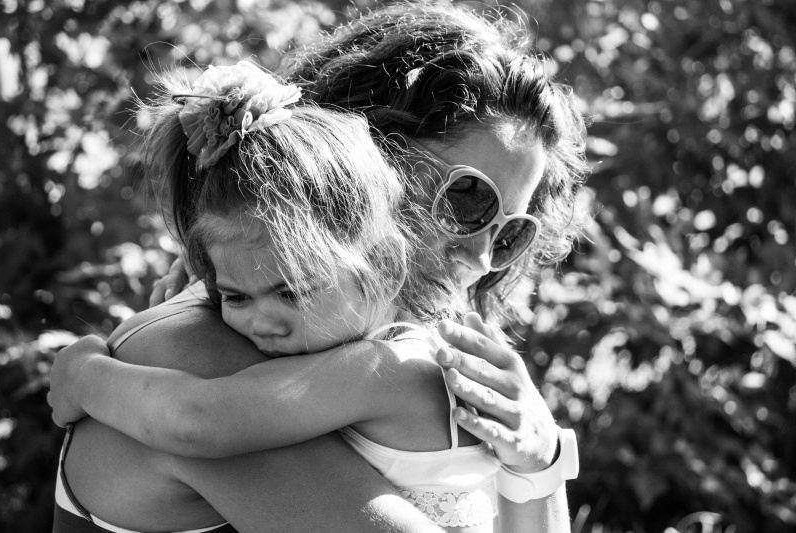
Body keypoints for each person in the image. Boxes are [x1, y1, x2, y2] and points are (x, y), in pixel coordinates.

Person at [50, 1, 588, 532]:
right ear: (357, 159)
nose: (480, 257)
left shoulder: (387, 354)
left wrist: (541, 463)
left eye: (511, 232)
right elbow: (196, 421)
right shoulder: (216, 355)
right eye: (468, 199)